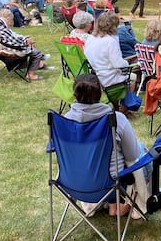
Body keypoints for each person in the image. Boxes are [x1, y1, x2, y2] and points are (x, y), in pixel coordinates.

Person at [63, 74, 151, 217]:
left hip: (75, 184)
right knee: (140, 150)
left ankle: (110, 205)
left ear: (75, 94)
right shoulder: (116, 119)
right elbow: (133, 156)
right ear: (101, 93)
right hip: (110, 186)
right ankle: (126, 204)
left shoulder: (65, 122)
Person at [0, 8, 49, 80]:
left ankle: (39, 63)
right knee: (36, 52)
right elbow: (12, 42)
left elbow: (12, 38)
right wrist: (24, 42)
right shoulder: (2, 27)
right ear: (8, 19)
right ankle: (31, 74)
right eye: (11, 20)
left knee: (30, 41)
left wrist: (25, 39)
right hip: (7, 50)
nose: (11, 22)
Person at [83, 12, 132, 92]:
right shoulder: (110, 41)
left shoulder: (90, 38)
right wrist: (127, 63)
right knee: (132, 77)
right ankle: (125, 103)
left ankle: (119, 102)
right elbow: (118, 64)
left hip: (94, 74)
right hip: (107, 78)